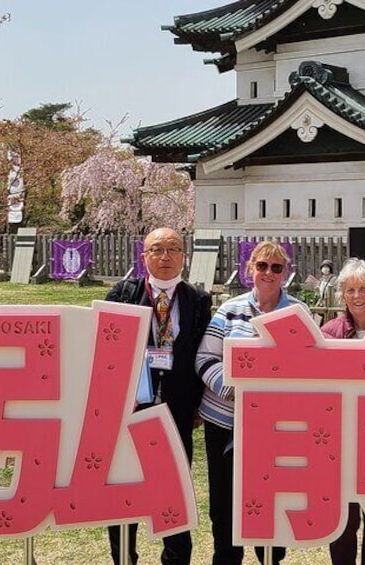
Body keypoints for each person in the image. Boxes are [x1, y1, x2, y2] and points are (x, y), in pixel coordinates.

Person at [105, 227, 213, 565]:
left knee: (174, 491)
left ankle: (176, 559)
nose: (165, 256)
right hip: (130, 410)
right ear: (144, 256)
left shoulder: (198, 300)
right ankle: (124, 558)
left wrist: (198, 404)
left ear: (184, 256)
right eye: (157, 249)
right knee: (123, 488)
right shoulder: (123, 294)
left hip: (178, 412)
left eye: (173, 249)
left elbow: (204, 354)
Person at [196, 241, 307, 565]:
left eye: (276, 267)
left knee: (271, 503)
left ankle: (270, 559)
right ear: (250, 269)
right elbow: (205, 357)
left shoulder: (298, 313)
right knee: (225, 504)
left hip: (277, 429)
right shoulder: (229, 310)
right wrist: (234, 389)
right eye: (262, 266)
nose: (268, 273)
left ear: (286, 273)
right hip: (225, 422)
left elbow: (310, 366)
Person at [320, 258, 365, 565]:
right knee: (343, 519)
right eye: (349, 290)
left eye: (363, 288)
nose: (357, 296)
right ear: (342, 296)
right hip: (342, 439)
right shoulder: (330, 331)